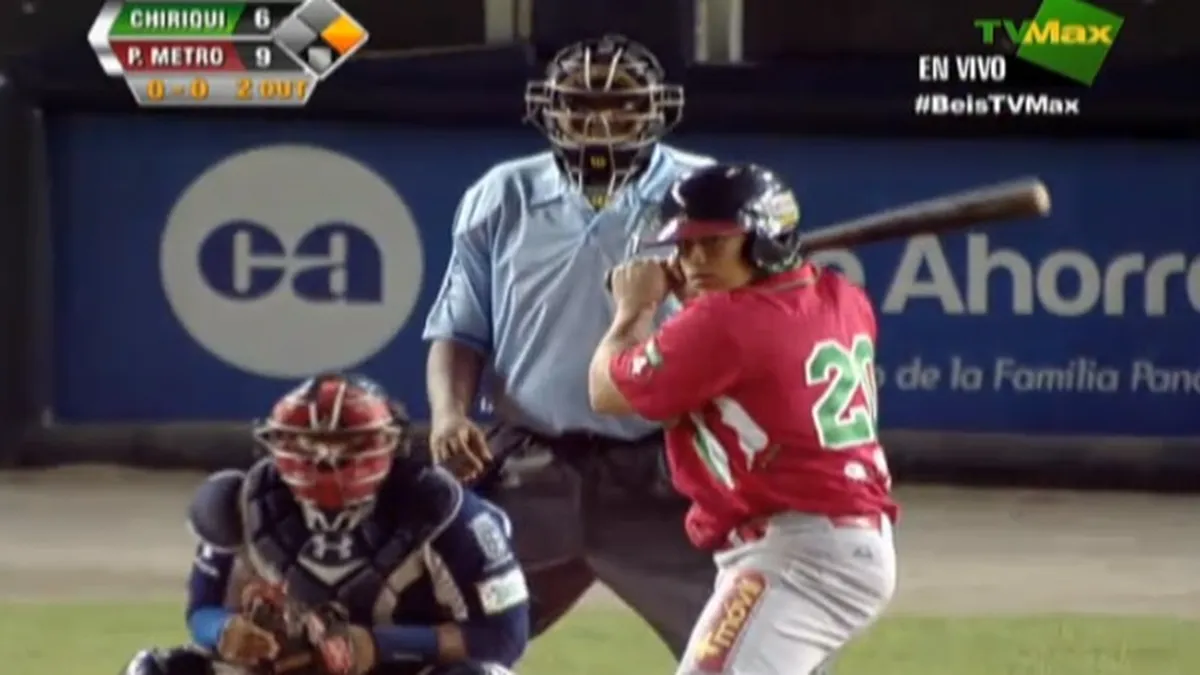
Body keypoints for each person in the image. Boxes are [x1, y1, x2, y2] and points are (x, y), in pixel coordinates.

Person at [422, 33, 718, 657]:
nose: (601, 121)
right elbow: (459, 327)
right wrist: (449, 414)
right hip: (529, 467)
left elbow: (747, 327)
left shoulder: (705, 190)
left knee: (744, 650)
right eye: (582, 104)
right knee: (435, 637)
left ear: (655, 108)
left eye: (621, 104)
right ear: (549, 109)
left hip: (665, 469)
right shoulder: (502, 193)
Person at [588, 163, 899, 675]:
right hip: (835, 541)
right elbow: (748, 340)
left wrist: (634, 308)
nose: (693, 259)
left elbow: (606, 390)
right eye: (684, 245)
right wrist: (703, 294)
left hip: (799, 554)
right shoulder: (842, 297)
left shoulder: (724, 324)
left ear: (765, 241)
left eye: (713, 243)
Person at [119, 373, 529, 675]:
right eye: (308, 444)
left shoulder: (446, 512)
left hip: (401, 670)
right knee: (153, 671)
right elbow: (202, 609)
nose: (326, 459)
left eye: (347, 444)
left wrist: (378, 646)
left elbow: (504, 636)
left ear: (390, 443)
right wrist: (227, 632)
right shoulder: (242, 504)